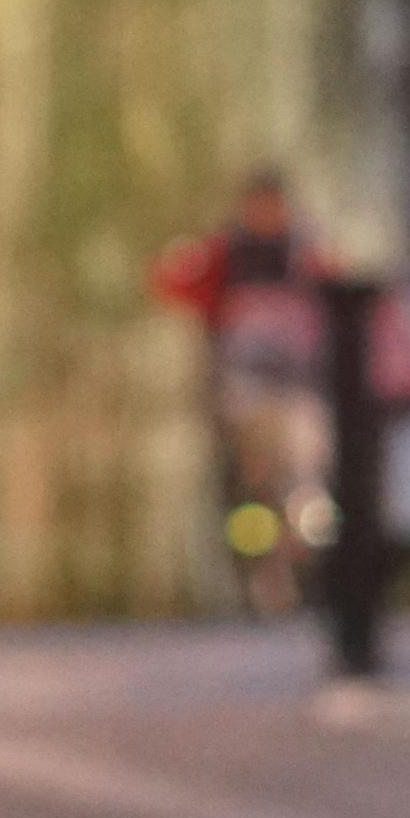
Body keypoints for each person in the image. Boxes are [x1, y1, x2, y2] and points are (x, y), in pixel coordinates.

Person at [150, 168, 342, 611]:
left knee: (307, 476)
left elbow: (340, 291)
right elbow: (173, 284)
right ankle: (262, 577)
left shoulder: (305, 250)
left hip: (300, 391)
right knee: (253, 486)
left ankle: (309, 564)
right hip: (242, 395)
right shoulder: (225, 253)